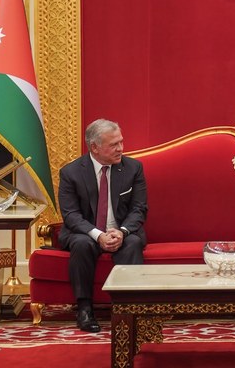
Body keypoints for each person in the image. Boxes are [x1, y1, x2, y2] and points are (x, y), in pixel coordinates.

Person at [58, 119, 148, 332]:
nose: (121, 149)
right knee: (81, 244)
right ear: (94, 147)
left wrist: (122, 231)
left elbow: (139, 209)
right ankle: (84, 308)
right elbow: (71, 215)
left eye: (121, 142)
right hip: (86, 231)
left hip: (121, 231)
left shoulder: (133, 168)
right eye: (114, 145)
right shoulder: (71, 173)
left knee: (133, 242)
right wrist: (98, 235)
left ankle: (128, 308)